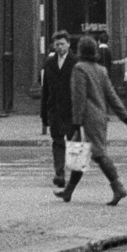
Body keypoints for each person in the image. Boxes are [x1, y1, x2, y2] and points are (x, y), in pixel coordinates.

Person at [61, 35, 127, 204]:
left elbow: (79, 97)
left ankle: (118, 187)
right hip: (100, 117)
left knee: (98, 155)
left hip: (86, 118)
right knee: (80, 154)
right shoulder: (101, 70)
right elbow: (111, 94)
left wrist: (76, 122)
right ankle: (68, 192)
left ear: (80, 51)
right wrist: (123, 115)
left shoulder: (79, 69)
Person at [40, 30, 76, 191]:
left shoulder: (76, 62)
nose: (59, 47)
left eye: (62, 44)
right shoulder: (49, 63)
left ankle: (74, 176)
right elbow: (45, 89)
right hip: (54, 109)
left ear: (68, 44)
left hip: (72, 110)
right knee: (58, 142)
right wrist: (44, 114)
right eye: (57, 45)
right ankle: (60, 174)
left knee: (74, 143)